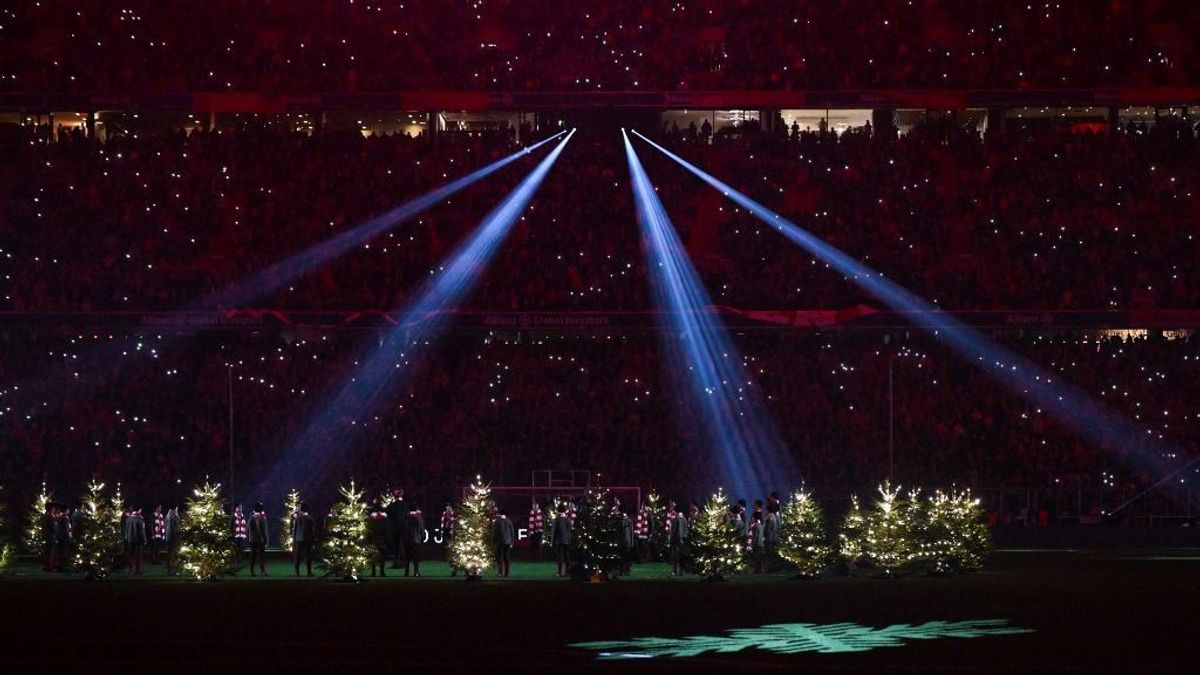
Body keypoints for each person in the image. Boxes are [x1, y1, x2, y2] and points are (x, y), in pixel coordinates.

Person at [291, 502, 317, 577]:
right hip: (307, 539)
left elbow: (294, 530)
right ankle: (309, 572)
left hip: (298, 539)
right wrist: (313, 539)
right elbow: (313, 530)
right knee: (308, 556)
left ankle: (297, 573)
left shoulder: (297, 519)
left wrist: (294, 539)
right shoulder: (310, 519)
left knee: (297, 556)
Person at [384, 488, 406, 569]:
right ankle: (401, 562)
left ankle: (397, 562)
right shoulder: (404, 505)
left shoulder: (391, 506)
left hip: (394, 528)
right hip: (402, 528)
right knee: (401, 546)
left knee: (396, 546)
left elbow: (387, 515)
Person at [550, 504, 572, 577]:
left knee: (560, 557)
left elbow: (554, 531)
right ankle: (568, 572)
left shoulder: (556, 520)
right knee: (567, 557)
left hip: (558, 540)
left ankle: (559, 572)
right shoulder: (568, 519)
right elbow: (570, 530)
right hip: (567, 540)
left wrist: (552, 542)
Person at [248, 502, 269, 577]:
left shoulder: (251, 518)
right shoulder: (262, 518)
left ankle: (252, 571)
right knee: (261, 556)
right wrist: (266, 540)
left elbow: (249, 529)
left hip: (253, 539)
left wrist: (250, 538)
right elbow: (264, 530)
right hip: (260, 540)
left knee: (253, 556)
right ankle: (263, 571)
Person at [368, 503, 389, 577]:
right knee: (382, 556)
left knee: (373, 556)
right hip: (382, 539)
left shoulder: (371, 518)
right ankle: (382, 572)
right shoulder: (384, 518)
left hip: (374, 538)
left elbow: (369, 528)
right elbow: (387, 529)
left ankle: (374, 572)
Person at [123, 508, 147, 576]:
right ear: (139, 510)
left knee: (130, 556)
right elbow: (142, 531)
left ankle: (130, 570)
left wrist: (127, 538)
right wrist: (144, 539)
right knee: (138, 556)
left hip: (130, 540)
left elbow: (126, 530)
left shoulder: (128, 519)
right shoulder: (139, 519)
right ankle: (137, 571)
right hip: (138, 540)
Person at [403, 503, 424, 577]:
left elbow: (404, 527)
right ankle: (416, 572)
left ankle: (406, 572)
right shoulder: (418, 516)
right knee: (416, 557)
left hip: (407, 539)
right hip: (416, 539)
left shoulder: (407, 516)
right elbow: (421, 528)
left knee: (407, 557)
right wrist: (422, 536)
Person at [668, 502, 689, 577]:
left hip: (676, 540)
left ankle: (674, 571)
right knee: (681, 556)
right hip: (683, 540)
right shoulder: (684, 519)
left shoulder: (675, 520)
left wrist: (671, 540)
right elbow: (686, 530)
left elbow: (673, 531)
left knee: (675, 557)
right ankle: (681, 571)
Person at [494, 509, 515, 578]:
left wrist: (494, 541)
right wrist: (512, 542)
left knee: (499, 557)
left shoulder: (497, 521)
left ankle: (500, 572)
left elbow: (495, 532)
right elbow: (512, 532)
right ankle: (506, 573)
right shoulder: (509, 521)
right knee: (506, 557)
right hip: (508, 542)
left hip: (500, 541)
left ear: (499, 514)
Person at [440, 503, 458, 577]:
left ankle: (451, 560)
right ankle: (445, 556)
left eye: (449, 507)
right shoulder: (444, 514)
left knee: (451, 545)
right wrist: (442, 530)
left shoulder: (453, 514)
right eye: (447, 506)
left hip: (452, 531)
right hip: (446, 531)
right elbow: (442, 522)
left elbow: (454, 521)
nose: (447, 508)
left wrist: (452, 528)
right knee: (446, 545)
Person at [164, 504, 182, 577]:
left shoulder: (167, 516)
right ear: (176, 508)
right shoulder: (175, 516)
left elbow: (165, 527)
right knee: (175, 555)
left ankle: (169, 571)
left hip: (168, 538)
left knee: (169, 554)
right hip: (174, 538)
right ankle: (175, 571)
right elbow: (176, 528)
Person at [618, 506, 635, 577]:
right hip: (621, 541)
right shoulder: (619, 520)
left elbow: (631, 532)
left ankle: (627, 570)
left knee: (627, 557)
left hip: (627, 541)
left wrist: (632, 542)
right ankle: (621, 570)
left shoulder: (629, 520)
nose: (623, 514)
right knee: (622, 557)